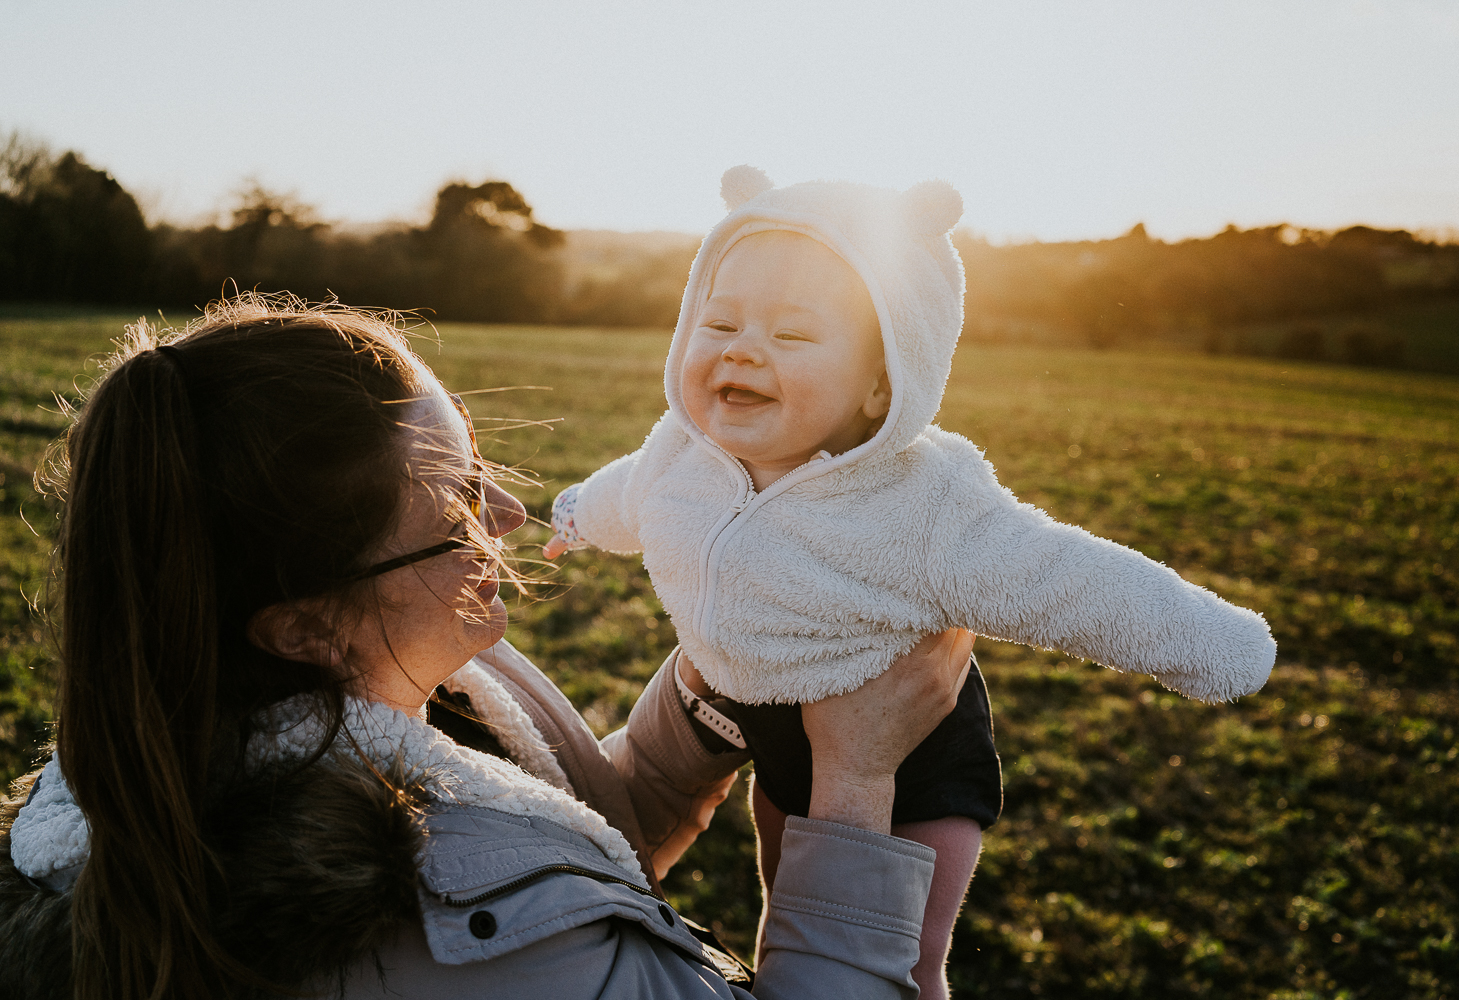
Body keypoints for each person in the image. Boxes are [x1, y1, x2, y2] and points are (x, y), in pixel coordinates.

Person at [0, 293, 978, 1000]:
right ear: (301, 624)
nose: (508, 513)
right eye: (459, 502)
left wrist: (717, 680)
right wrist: (855, 783)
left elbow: (602, 828)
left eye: (478, 459)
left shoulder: (402, 681)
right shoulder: (414, 943)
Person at [543, 166, 1279, 997]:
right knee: (786, 913)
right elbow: (623, 496)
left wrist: (1215, 645)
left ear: (881, 382)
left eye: (791, 335)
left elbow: (1068, 579)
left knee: (904, 960)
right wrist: (569, 516)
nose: (742, 348)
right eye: (718, 321)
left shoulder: (922, 503)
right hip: (771, 731)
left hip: (912, 752)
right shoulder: (679, 457)